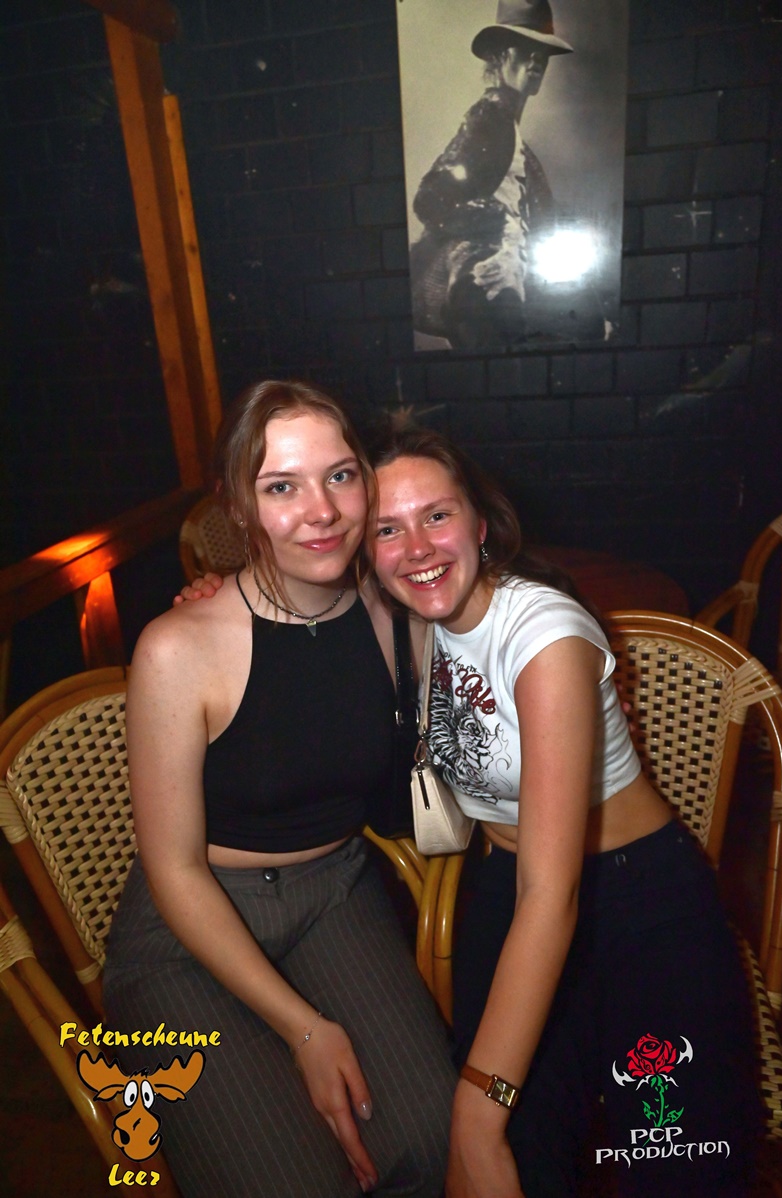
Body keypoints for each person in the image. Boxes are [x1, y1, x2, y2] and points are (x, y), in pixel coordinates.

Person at [367, 425, 760, 1197]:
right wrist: (211, 589)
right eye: (387, 528)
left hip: (637, 900)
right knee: (519, 1151)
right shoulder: (408, 615)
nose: (416, 548)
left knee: (671, 1155)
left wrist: (477, 1111)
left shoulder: (543, 633)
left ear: (481, 524)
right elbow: (288, 589)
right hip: (510, 889)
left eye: (436, 515)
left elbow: (556, 893)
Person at [102, 380, 455, 1198]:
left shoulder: (397, 609)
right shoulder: (176, 648)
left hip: (337, 896)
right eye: (281, 487)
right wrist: (303, 1030)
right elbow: (175, 871)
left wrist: (581, 680)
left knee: (434, 1140)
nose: (321, 511)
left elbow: (495, 603)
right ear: (237, 507)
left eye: (339, 476)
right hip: (190, 931)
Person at [410, 0, 577, 349]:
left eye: (543, 53)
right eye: (525, 48)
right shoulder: (489, 119)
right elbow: (429, 200)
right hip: (482, 292)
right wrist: (494, 223)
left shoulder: (515, 140)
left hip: (508, 290)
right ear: (500, 57)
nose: (536, 60)